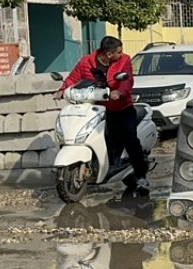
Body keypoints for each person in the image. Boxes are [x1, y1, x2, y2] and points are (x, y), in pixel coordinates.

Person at [54, 36, 149, 192]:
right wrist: (62, 90)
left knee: (130, 140)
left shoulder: (124, 60)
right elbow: (74, 77)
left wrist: (120, 91)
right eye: (119, 51)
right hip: (98, 109)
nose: (122, 53)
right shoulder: (87, 61)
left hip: (122, 109)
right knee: (105, 140)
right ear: (109, 54)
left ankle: (141, 177)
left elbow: (127, 79)